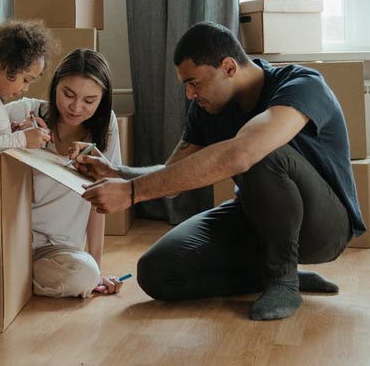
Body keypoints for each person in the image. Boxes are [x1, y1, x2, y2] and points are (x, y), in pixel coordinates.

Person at [70, 21, 365, 320]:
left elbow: (244, 152)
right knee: (156, 272)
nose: (188, 94)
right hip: (256, 218)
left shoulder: (302, 84)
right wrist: (116, 173)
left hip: (324, 228)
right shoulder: (206, 108)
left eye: (194, 82)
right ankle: (267, 275)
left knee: (260, 151)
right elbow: (173, 175)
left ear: (229, 67)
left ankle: (283, 280)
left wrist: (132, 193)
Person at [0, 31, 124, 298]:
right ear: (55, 87)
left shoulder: (106, 127)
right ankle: (6, 278)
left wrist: (97, 267)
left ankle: (5, 280)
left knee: (83, 275)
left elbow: (101, 200)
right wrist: (15, 135)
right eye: (68, 94)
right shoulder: (25, 111)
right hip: (11, 240)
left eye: (89, 101)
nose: (75, 107)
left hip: (59, 251)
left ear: (103, 99)